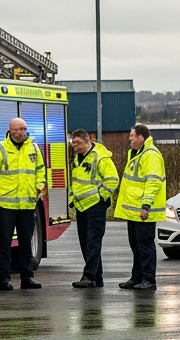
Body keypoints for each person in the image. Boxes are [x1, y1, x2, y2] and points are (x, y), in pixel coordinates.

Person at [0, 117, 47, 290]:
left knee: (26, 243)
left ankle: (27, 277)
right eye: (16, 130)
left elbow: (40, 170)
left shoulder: (33, 148)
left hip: (27, 204)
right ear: (10, 131)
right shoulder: (0, 150)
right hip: (6, 205)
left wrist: (40, 186)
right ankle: (4, 278)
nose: (20, 133)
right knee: (5, 243)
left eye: (23, 129)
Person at [116, 124, 167, 290]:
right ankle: (137, 277)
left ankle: (148, 279)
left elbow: (153, 182)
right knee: (136, 246)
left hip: (144, 211)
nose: (130, 139)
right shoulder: (138, 154)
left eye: (132, 136)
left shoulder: (151, 155)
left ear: (141, 137)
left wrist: (146, 205)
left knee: (145, 246)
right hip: (135, 212)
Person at [68, 129, 118, 288]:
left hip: (95, 206)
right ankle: (97, 277)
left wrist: (100, 196)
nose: (74, 145)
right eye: (73, 142)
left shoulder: (100, 157)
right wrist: (71, 199)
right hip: (81, 207)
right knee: (85, 242)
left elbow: (112, 180)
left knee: (92, 242)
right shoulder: (77, 158)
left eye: (77, 142)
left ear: (87, 141)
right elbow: (75, 182)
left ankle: (89, 276)